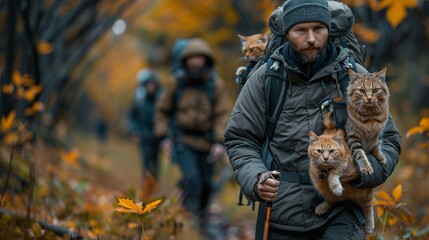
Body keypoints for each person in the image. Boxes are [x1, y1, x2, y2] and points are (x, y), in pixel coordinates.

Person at [224, 0, 402, 239]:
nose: (311, 39)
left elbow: (389, 139)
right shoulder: (267, 78)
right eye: (301, 30)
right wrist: (257, 179)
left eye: (318, 29)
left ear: (329, 29)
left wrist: (361, 171)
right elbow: (240, 138)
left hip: (342, 209)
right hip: (281, 211)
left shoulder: (353, 76)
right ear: (287, 34)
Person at [154, 38, 229, 231]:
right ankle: (187, 220)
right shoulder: (176, 82)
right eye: (191, 58)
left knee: (206, 183)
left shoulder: (216, 85)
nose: (195, 62)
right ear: (184, 60)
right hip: (183, 140)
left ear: (206, 60)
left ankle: (201, 218)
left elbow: (222, 114)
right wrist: (163, 137)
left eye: (199, 58)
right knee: (191, 179)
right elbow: (162, 110)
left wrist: (219, 141)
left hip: (207, 143)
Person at [128, 68, 163, 181]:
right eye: (149, 84)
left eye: (153, 84)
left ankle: (153, 184)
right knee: (146, 160)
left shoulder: (161, 99)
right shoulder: (140, 98)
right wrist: (134, 130)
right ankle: (145, 184)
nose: (151, 87)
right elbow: (132, 116)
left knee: (155, 162)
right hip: (144, 135)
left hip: (157, 136)